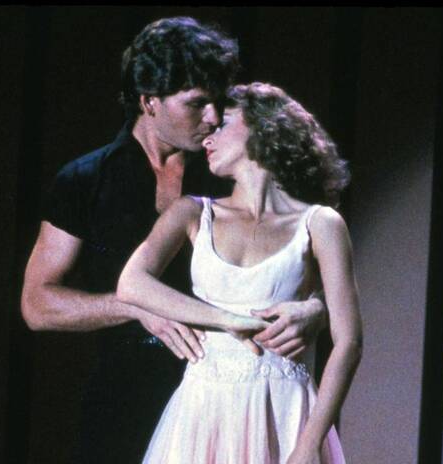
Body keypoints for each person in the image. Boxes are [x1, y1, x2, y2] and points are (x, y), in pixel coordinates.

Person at [21, 18, 327, 463]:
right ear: (149, 101)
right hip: (124, 399)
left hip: (229, 397)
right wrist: (138, 305)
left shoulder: (229, 168)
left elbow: (306, 254)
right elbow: (37, 303)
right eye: (196, 103)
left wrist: (314, 309)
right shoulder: (86, 180)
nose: (212, 117)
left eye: (216, 102)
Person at [117, 82, 363, 463]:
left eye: (223, 124)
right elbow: (131, 283)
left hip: (282, 410)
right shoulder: (193, 212)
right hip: (204, 411)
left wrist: (310, 443)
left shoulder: (320, 224)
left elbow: (348, 342)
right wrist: (226, 319)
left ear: (264, 128)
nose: (207, 137)